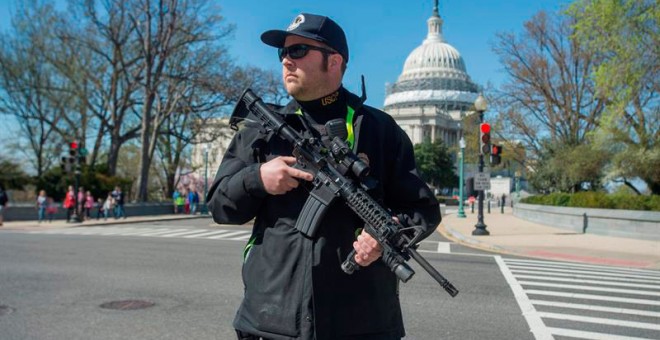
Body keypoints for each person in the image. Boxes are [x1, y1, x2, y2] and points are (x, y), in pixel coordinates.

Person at [207, 13, 440, 340]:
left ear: (334, 61)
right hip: (269, 319)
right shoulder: (261, 129)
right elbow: (219, 207)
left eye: (299, 50)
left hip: (362, 323)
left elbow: (424, 210)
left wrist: (387, 233)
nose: (287, 60)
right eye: (283, 53)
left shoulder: (381, 130)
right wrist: (256, 178)